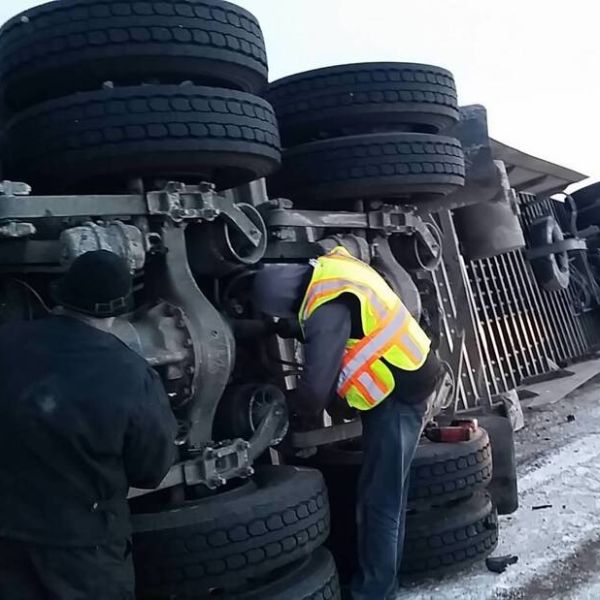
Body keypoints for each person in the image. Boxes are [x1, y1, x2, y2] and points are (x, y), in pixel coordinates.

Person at [252, 246, 441, 600]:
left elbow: (314, 393)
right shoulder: (333, 270)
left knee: (379, 501)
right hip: (410, 378)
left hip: (398, 398)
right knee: (387, 495)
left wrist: (289, 410)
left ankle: (374, 592)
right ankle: (383, 583)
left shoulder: (325, 311)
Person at [0, 250, 178, 600]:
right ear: (118, 308)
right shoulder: (131, 374)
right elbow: (150, 470)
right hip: (83, 552)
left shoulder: (5, 342)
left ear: (63, 294)